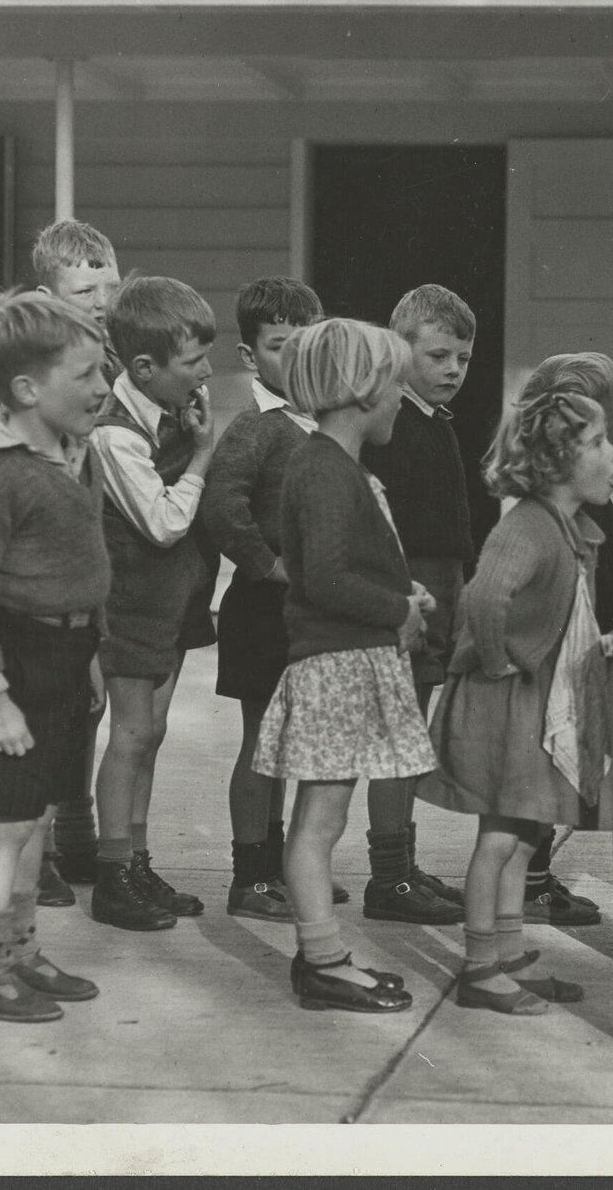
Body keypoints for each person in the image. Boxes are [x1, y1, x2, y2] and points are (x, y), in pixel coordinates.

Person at [0, 293, 112, 1024]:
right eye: (88, 374)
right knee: (7, 821)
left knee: (33, 815)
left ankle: (20, 948)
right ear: (28, 390)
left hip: (68, 652)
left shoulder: (69, 452)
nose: (103, 388)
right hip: (19, 659)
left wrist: (90, 653)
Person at [254, 318, 434, 1013]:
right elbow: (324, 579)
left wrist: (398, 593)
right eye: (393, 384)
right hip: (332, 663)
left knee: (320, 820)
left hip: (344, 659)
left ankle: (324, 956)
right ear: (362, 391)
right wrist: (396, 610)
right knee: (319, 825)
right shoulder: (325, 469)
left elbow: (344, 565)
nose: (399, 397)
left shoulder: (334, 466)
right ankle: (323, 960)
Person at [419, 390, 613, 1013]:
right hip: (502, 701)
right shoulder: (528, 524)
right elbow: (485, 597)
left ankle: (505, 956)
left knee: (528, 834)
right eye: (597, 443)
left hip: (529, 698)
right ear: (559, 462)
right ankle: (480, 967)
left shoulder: (564, 524)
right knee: (501, 837)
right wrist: (501, 659)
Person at [87, 276, 221, 932]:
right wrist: (200, 455)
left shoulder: (167, 412)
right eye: (193, 363)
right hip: (132, 602)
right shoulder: (115, 436)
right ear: (144, 367)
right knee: (131, 734)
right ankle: (111, 872)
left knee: (152, 735)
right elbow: (163, 522)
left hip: (170, 602)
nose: (205, 374)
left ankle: (137, 859)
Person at [200, 276, 331, 922]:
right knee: (263, 742)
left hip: (309, 613)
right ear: (252, 356)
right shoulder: (259, 427)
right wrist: (268, 565)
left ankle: (282, 867)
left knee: (295, 742)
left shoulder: (321, 423)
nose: (296, 357)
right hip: (264, 608)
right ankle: (249, 875)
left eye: (307, 342)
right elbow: (221, 507)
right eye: (280, 345)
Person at [508, 353, 613, 926]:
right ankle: (529, 886)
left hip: (566, 650)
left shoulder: (586, 500)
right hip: (557, 656)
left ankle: (534, 880)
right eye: (610, 432)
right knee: (544, 776)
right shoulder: (570, 510)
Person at [356, 284, 476, 926]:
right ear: (399, 350)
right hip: (410, 597)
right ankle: (388, 880)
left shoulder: (433, 424)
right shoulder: (391, 425)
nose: (453, 370)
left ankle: (402, 869)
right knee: (395, 740)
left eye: (462, 358)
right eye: (438, 356)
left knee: (411, 737)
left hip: (442, 592)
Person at [30, 217, 123, 888]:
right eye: (81, 288)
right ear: (46, 291)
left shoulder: (110, 357)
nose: (96, 300)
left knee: (86, 696)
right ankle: (35, 839)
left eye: (106, 286)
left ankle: (74, 825)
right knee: (46, 698)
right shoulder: (32, 360)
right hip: (43, 543)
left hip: (97, 537)